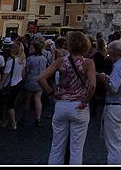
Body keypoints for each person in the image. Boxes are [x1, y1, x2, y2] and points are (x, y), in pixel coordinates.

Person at [38, 31, 96, 165]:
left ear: (69, 45)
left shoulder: (60, 61)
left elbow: (41, 79)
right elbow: (92, 86)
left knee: (57, 146)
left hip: (61, 105)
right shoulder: (88, 63)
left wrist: (52, 93)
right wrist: (85, 101)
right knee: (76, 149)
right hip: (79, 106)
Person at [1, 41, 27, 130]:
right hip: (19, 83)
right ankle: (6, 121)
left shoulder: (10, 61)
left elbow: (5, 74)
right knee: (13, 104)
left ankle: (13, 123)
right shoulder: (23, 60)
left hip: (10, 85)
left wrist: (1, 85)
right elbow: (23, 74)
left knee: (9, 105)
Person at [23, 41, 48, 126]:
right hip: (40, 81)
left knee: (27, 100)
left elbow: (27, 71)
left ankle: (25, 117)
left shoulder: (30, 59)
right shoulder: (44, 59)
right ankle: (38, 118)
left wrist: (24, 79)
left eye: (32, 48)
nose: (30, 49)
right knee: (38, 99)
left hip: (31, 80)